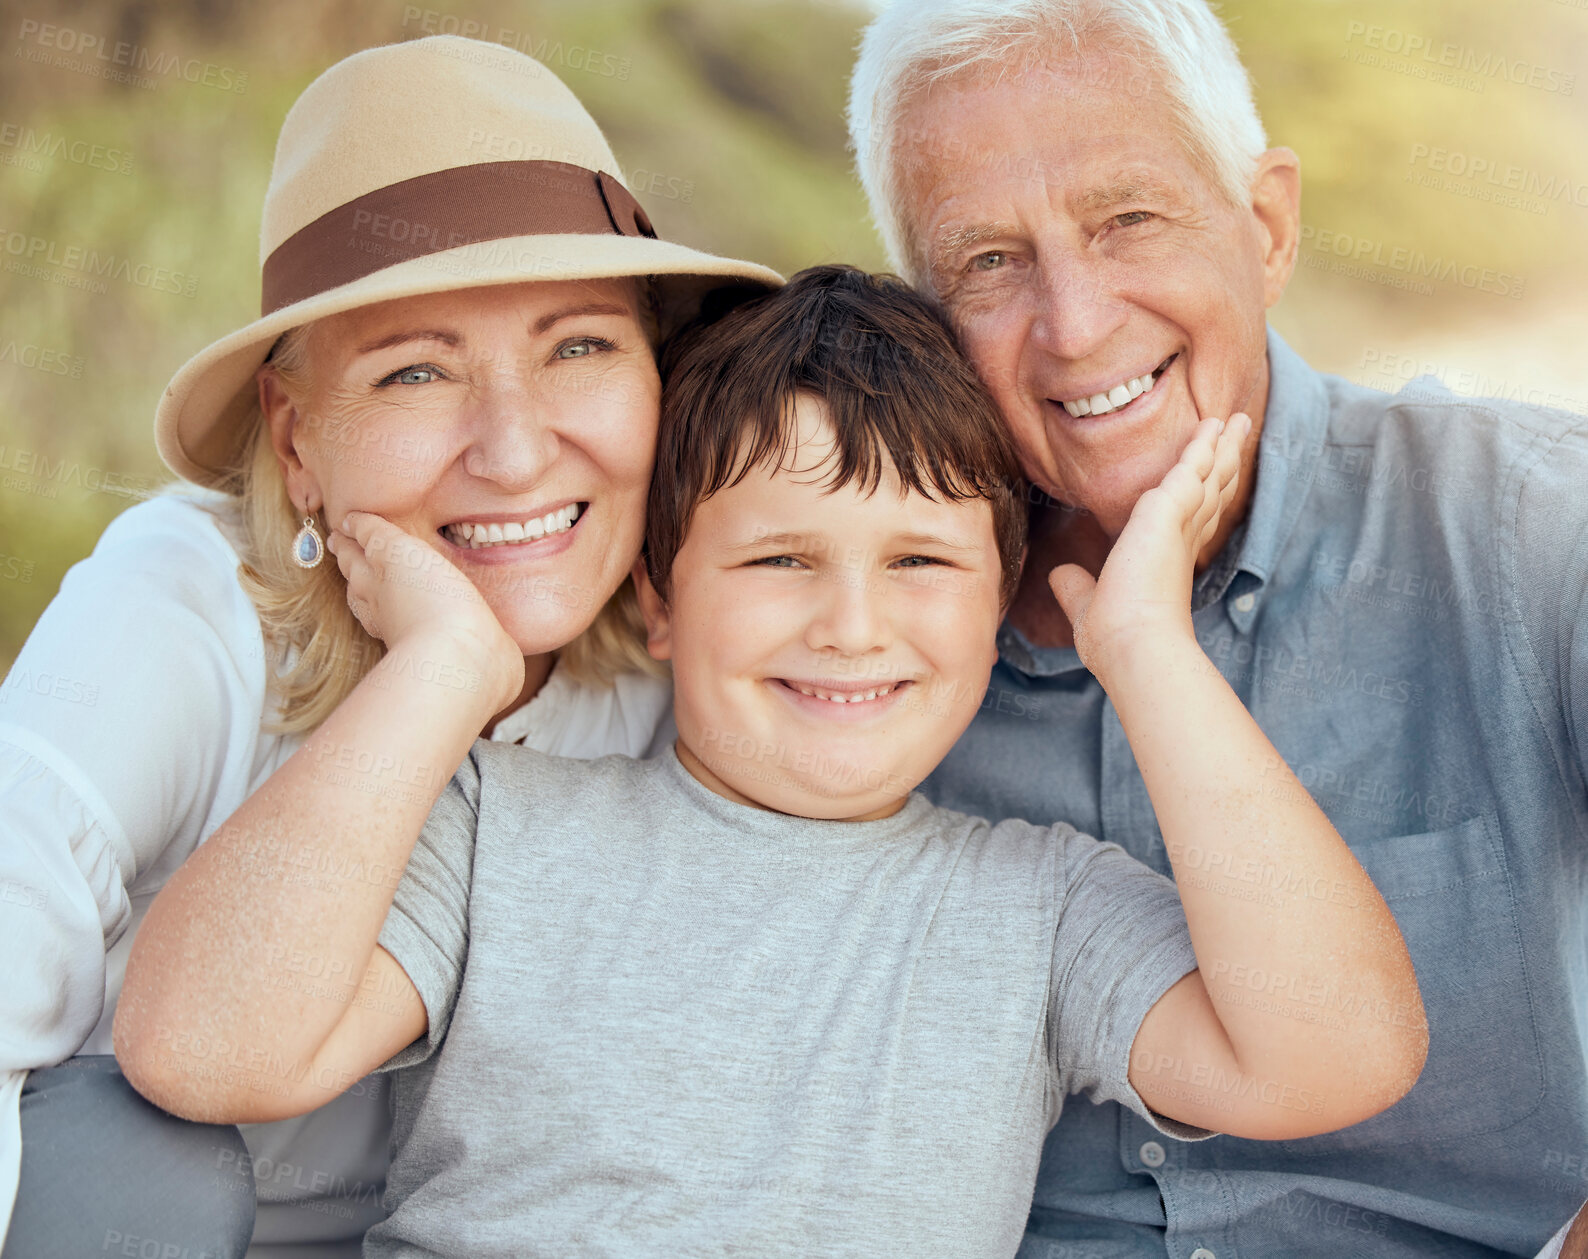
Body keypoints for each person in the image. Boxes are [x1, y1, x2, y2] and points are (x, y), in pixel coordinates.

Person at [115, 266, 1425, 1256]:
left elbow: (1337, 1053)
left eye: (919, 562)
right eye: (778, 558)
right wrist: (441, 665)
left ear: (999, 593)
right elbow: (204, 1048)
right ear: (661, 595)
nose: (851, 623)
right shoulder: (497, 825)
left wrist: (1144, 646)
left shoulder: (1040, 907)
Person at [0, 34, 777, 1259]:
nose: (516, 452)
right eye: (416, 371)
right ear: (297, 441)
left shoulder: (683, 668)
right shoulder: (182, 607)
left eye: (579, 345)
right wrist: (437, 672)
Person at [847, 1, 1588, 1255]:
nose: (1073, 324)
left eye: (1126, 219)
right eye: (986, 261)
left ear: (1265, 225)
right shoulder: (859, 631)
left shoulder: (1527, 526)